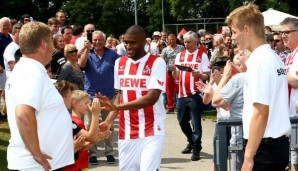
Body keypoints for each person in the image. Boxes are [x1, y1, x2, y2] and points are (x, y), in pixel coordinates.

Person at [226, 3, 291, 170]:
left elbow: (261, 112)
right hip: (276, 146)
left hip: (264, 149)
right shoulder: (273, 57)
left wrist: (248, 157)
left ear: (247, 30)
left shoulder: (258, 61)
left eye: (234, 32)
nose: (232, 37)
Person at [5, 21, 74, 170]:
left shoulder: (27, 69)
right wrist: (36, 153)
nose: (53, 47)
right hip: (35, 166)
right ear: (43, 44)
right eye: (51, 41)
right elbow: (23, 113)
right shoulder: (32, 72)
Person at [98, 24, 166, 171]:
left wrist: (118, 107)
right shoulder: (119, 63)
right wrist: (109, 121)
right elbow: (119, 95)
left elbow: (152, 97)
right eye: (125, 42)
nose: (128, 46)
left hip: (152, 128)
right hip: (127, 130)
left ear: (144, 43)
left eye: (133, 42)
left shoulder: (157, 62)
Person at [78, 30, 118, 164]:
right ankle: (92, 153)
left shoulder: (112, 54)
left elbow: (120, 69)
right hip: (91, 94)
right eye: (94, 39)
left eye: (100, 40)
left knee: (108, 125)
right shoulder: (88, 53)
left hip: (108, 94)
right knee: (90, 125)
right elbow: (81, 65)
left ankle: (109, 152)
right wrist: (86, 49)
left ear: (104, 40)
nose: (97, 42)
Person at [171, 31, 210, 161]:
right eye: (185, 42)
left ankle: (197, 147)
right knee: (182, 121)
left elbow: (207, 75)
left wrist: (199, 75)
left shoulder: (202, 55)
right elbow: (176, 76)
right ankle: (191, 141)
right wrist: (173, 71)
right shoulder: (180, 55)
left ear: (195, 42)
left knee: (196, 122)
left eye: (189, 42)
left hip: (195, 94)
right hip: (182, 94)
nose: (186, 44)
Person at [211, 50, 250, 171]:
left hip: (240, 135)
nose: (233, 69)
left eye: (237, 65)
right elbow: (225, 105)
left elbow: (216, 101)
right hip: (255, 133)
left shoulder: (238, 79)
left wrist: (224, 78)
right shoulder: (258, 76)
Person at [280, 17, 298, 171]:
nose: (282, 36)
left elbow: (294, 80)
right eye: (282, 32)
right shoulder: (290, 55)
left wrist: (277, 73)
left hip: (296, 115)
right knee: (293, 157)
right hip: (290, 116)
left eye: (286, 32)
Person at [160, 32, 185, 113]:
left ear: (176, 39)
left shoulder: (181, 48)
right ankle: (170, 107)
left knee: (179, 89)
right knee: (169, 90)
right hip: (169, 71)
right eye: (170, 39)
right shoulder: (165, 50)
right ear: (167, 40)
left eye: (173, 39)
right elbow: (162, 60)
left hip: (179, 71)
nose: (171, 41)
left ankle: (179, 106)